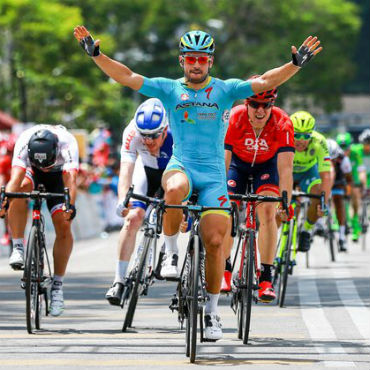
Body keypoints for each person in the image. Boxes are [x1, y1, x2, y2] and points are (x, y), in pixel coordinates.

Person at [74, 25, 322, 340]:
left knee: (217, 242)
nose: (196, 64)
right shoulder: (167, 88)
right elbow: (127, 76)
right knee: (174, 190)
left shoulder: (225, 89)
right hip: (182, 166)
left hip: (214, 175)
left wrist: (295, 65)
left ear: (210, 62)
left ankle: (212, 313)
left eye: (202, 60)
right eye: (191, 59)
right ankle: (171, 252)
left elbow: (265, 81)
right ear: (181, 61)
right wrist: (97, 56)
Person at [223, 81, 295, 301]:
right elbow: (223, 163)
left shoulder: (282, 122)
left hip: (267, 167)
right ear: (247, 103)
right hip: (237, 165)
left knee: (267, 212)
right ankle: (225, 268)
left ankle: (265, 275)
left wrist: (286, 203)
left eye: (267, 104)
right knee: (226, 209)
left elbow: (285, 169)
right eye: (255, 104)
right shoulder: (234, 118)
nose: (261, 110)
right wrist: (217, 195)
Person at [1, 125, 78, 317]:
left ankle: (58, 287)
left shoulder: (67, 144)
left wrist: (71, 206)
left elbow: (71, 181)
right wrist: (5, 201)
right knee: (18, 191)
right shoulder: (23, 142)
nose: (44, 166)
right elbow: (15, 179)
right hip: (31, 173)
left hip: (58, 177)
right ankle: (18, 247)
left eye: (47, 163)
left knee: (63, 223)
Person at [105, 98, 174, 305]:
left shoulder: (178, 132)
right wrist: (122, 199)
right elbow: (126, 170)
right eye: (144, 136)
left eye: (153, 136)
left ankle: (167, 253)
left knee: (178, 212)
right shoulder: (131, 132)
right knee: (133, 218)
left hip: (172, 173)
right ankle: (118, 280)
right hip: (145, 172)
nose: (148, 141)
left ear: (164, 130)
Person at [291, 111, 331, 252]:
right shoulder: (282, 137)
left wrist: (323, 203)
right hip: (287, 172)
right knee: (282, 203)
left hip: (308, 173)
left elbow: (326, 175)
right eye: (296, 135)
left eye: (306, 136)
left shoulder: (319, 142)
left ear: (312, 134)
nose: (301, 140)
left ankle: (306, 230)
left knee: (317, 194)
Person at [336, 132, 364, 241]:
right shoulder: (334, 154)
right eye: (341, 149)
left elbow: (361, 169)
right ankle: (337, 220)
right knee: (336, 195)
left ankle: (355, 224)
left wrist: (362, 182)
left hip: (352, 179)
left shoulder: (356, 153)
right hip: (339, 179)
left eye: (346, 148)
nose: (344, 152)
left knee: (355, 197)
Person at [326, 139, 352, 251]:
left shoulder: (344, 159)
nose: (331, 163)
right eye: (329, 160)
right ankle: (319, 223)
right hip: (322, 177)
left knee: (339, 201)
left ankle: (342, 237)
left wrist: (348, 192)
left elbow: (348, 178)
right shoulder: (318, 155)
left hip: (338, 181)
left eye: (334, 160)